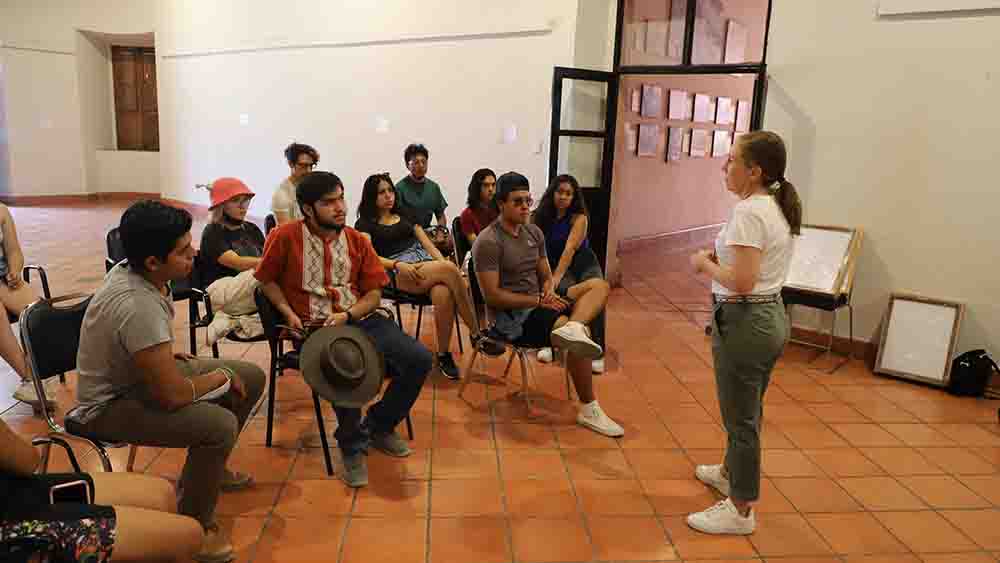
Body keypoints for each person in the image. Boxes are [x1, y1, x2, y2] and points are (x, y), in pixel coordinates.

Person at [71, 200, 266, 562]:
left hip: (135, 377)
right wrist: (219, 376)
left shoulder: (140, 274)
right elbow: (173, 395)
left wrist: (159, 357)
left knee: (251, 375)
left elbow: (135, 343)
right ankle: (194, 524)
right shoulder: (136, 303)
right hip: (106, 406)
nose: (192, 253)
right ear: (152, 261)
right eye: (182, 251)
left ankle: (210, 472)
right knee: (219, 425)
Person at [255, 171, 433, 489]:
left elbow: (374, 294)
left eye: (341, 198)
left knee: (418, 358)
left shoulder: (355, 240)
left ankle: (378, 425)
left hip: (360, 317)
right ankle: (351, 447)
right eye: (329, 202)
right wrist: (285, 312)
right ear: (308, 209)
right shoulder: (285, 238)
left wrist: (349, 314)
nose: (340, 207)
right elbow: (265, 280)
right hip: (316, 327)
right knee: (348, 363)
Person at [686, 131, 801, 535]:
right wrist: (724, 262)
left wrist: (704, 264)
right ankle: (727, 472)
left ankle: (740, 508)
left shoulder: (750, 212)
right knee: (747, 408)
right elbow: (750, 268)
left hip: (747, 322)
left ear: (754, 171)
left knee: (741, 419)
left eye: (731, 160)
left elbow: (743, 283)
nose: (724, 166)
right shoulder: (768, 206)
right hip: (766, 319)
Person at [471, 172, 623, 438]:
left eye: (527, 201)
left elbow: (545, 274)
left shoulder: (533, 232)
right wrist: (538, 299)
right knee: (577, 335)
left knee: (599, 286)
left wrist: (548, 290)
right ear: (500, 204)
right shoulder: (488, 241)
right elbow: (492, 297)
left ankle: (574, 326)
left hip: (539, 302)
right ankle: (589, 408)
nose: (524, 207)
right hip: (511, 317)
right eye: (517, 202)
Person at [354, 173, 502, 380]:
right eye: (382, 192)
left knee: (442, 292)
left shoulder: (405, 214)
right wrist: (398, 264)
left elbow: (428, 244)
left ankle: (443, 354)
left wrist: (440, 262)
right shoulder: (365, 224)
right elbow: (370, 257)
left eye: (390, 191)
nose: (388, 196)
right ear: (371, 197)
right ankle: (477, 334)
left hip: (423, 262)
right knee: (451, 270)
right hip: (396, 270)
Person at [0, 418, 203, 562]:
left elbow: (25, 460)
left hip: (14, 489)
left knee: (162, 494)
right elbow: (27, 459)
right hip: (11, 529)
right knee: (189, 536)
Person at [531, 174, 607, 374]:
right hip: (552, 262)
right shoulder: (538, 216)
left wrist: (554, 279)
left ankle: (597, 352)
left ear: (574, 197)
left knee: (596, 292)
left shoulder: (579, 218)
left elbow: (570, 250)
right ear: (552, 193)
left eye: (568, 194)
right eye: (559, 192)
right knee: (550, 290)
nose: (563, 197)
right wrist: (549, 279)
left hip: (582, 262)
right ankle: (546, 342)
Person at [0, 203, 55, 411]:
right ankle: (33, 380)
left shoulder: (2, 211)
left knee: (39, 313)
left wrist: (14, 270)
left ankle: (36, 381)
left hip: (5, 280)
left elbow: (14, 252)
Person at [200, 177, 266, 345]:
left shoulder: (252, 229)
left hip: (247, 291)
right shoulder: (212, 231)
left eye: (245, 201)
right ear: (221, 205)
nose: (243, 206)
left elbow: (267, 257)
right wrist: (273, 262)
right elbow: (236, 262)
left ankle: (234, 321)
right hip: (219, 291)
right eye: (236, 201)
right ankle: (231, 318)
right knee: (267, 273)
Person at [394, 143, 447, 229]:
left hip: (428, 232)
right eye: (416, 162)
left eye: (424, 162)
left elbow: (440, 215)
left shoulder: (434, 187)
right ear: (408, 165)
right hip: (407, 234)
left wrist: (441, 231)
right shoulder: (399, 188)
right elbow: (395, 218)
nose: (421, 165)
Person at [272, 142, 319, 225]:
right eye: (303, 166)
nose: (308, 171)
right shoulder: (281, 195)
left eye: (311, 166)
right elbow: (286, 233)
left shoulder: (311, 187)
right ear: (291, 164)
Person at [458, 168, 498, 246]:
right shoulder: (467, 214)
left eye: (493, 185)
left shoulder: (501, 209)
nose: (491, 189)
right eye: (486, 185)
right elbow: (477, 247)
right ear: (477, 187)